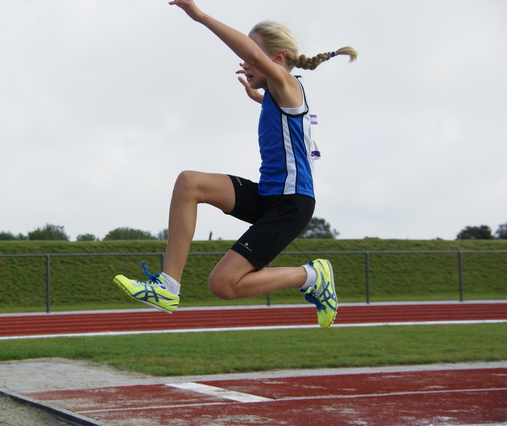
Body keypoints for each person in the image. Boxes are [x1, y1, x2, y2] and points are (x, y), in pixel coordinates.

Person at [114, 0, 357, 328]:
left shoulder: (288, 84)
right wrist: (258, 98)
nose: (245, 61)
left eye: (251, 54)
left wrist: (198, 15)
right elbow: (288, 122)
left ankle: (312, 276)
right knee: (189, 183)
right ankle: (166, 287)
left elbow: (260, 63)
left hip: (290, 204)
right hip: (269, 196)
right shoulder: (277, 95)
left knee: (222, 284)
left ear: (277, 59)